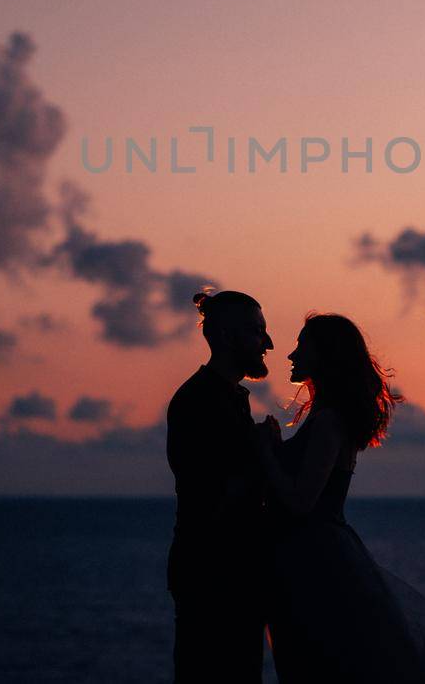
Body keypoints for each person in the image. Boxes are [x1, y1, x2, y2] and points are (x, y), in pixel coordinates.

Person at [253, 312, 425, 683]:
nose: (291, 354)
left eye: (302, 344)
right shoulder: (325, 417)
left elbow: (302, 501)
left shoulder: (330, 422)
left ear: (325, 353)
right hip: (309, 558)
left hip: (317, 564)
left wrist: (267, 453)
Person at [165, 289, 273, 683]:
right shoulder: (200, 401)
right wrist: (265, 458)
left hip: (226, 571)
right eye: (258, 332)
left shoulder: (226, 398)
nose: (269, 343)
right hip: (213, 573)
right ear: (228, 337)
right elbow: (214, 493)